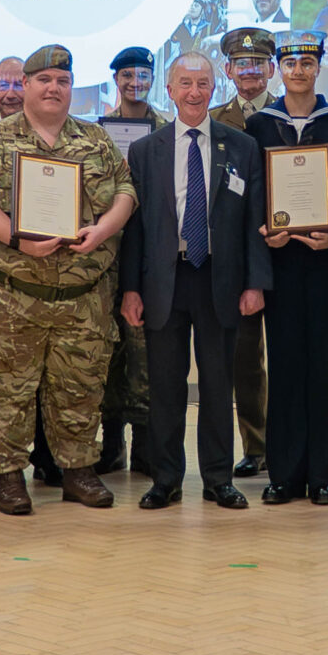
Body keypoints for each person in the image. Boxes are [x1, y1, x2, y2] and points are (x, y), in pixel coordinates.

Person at [0, 45, 135, 512]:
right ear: (27, 86)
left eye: (62, 80)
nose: (53, 88)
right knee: (5, 391)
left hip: (82, 297)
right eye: (43, 80)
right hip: (10, 295)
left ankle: (78, 471)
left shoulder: (95, 140)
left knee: (80, 390)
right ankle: (7, 475)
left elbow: (125, 191)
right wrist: (18, 240)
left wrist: (102, 231)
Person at [120, 54, 270, 510]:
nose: (193, 91)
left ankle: (218, 479)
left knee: (218, 383)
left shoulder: (241, 146)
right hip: (165, 281)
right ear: (170, 90)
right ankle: (165, 479)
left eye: (202, 83)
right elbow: (136, 227)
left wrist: (254, 283)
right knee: (165, 387)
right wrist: (130, 288)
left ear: (212, 88)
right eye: (184, 83)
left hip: (219, 280)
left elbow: (252, 222)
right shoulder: (147, 149)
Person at [246, 30, 328, 505]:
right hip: (281, 264)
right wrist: (263, 232)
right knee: (286, 365)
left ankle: (322, 472)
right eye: (290, 65)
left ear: (318, 69)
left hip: (324, 262)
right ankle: (284, 472)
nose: (298, 72)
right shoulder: (257, 128)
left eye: (307, 65)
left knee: (323, 367)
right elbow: (253, 194)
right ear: (278, 70)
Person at [213, 25, 278, 478]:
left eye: (258, 63)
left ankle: (289, 442)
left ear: (272, 69)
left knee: (293, 353)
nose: (249, 71)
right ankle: (257, 446)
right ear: (228, 70)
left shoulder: (291, 113)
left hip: (293, 250)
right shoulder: (214, 120)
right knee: (245, 359)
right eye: (241, 64)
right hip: (238, 256)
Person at [98, 45, 159, 475]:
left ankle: (146, 446)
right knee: (106, 352)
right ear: (115, 80)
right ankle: (110, 443)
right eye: (127, 76)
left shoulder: (168, 129)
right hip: (104, 253)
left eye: (142, 75)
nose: (135, 83)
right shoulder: (97, 132)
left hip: (149, 254)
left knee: (145, 354)